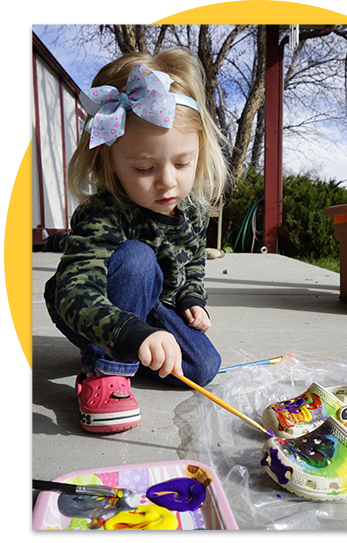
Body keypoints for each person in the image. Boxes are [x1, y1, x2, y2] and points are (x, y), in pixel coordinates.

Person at [44, 48, 228, 434]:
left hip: (150, 305)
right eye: (145, 168)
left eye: (182, 163)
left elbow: (194, 261)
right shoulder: (106, 215)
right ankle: (105, 371)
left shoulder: (191, 210)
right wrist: (127, 332)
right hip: (87, 303)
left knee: (202, 368)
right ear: (108, 161)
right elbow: (74, 293)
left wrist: (192, 298)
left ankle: (130, 342)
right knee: (137, 258)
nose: (167, 181)